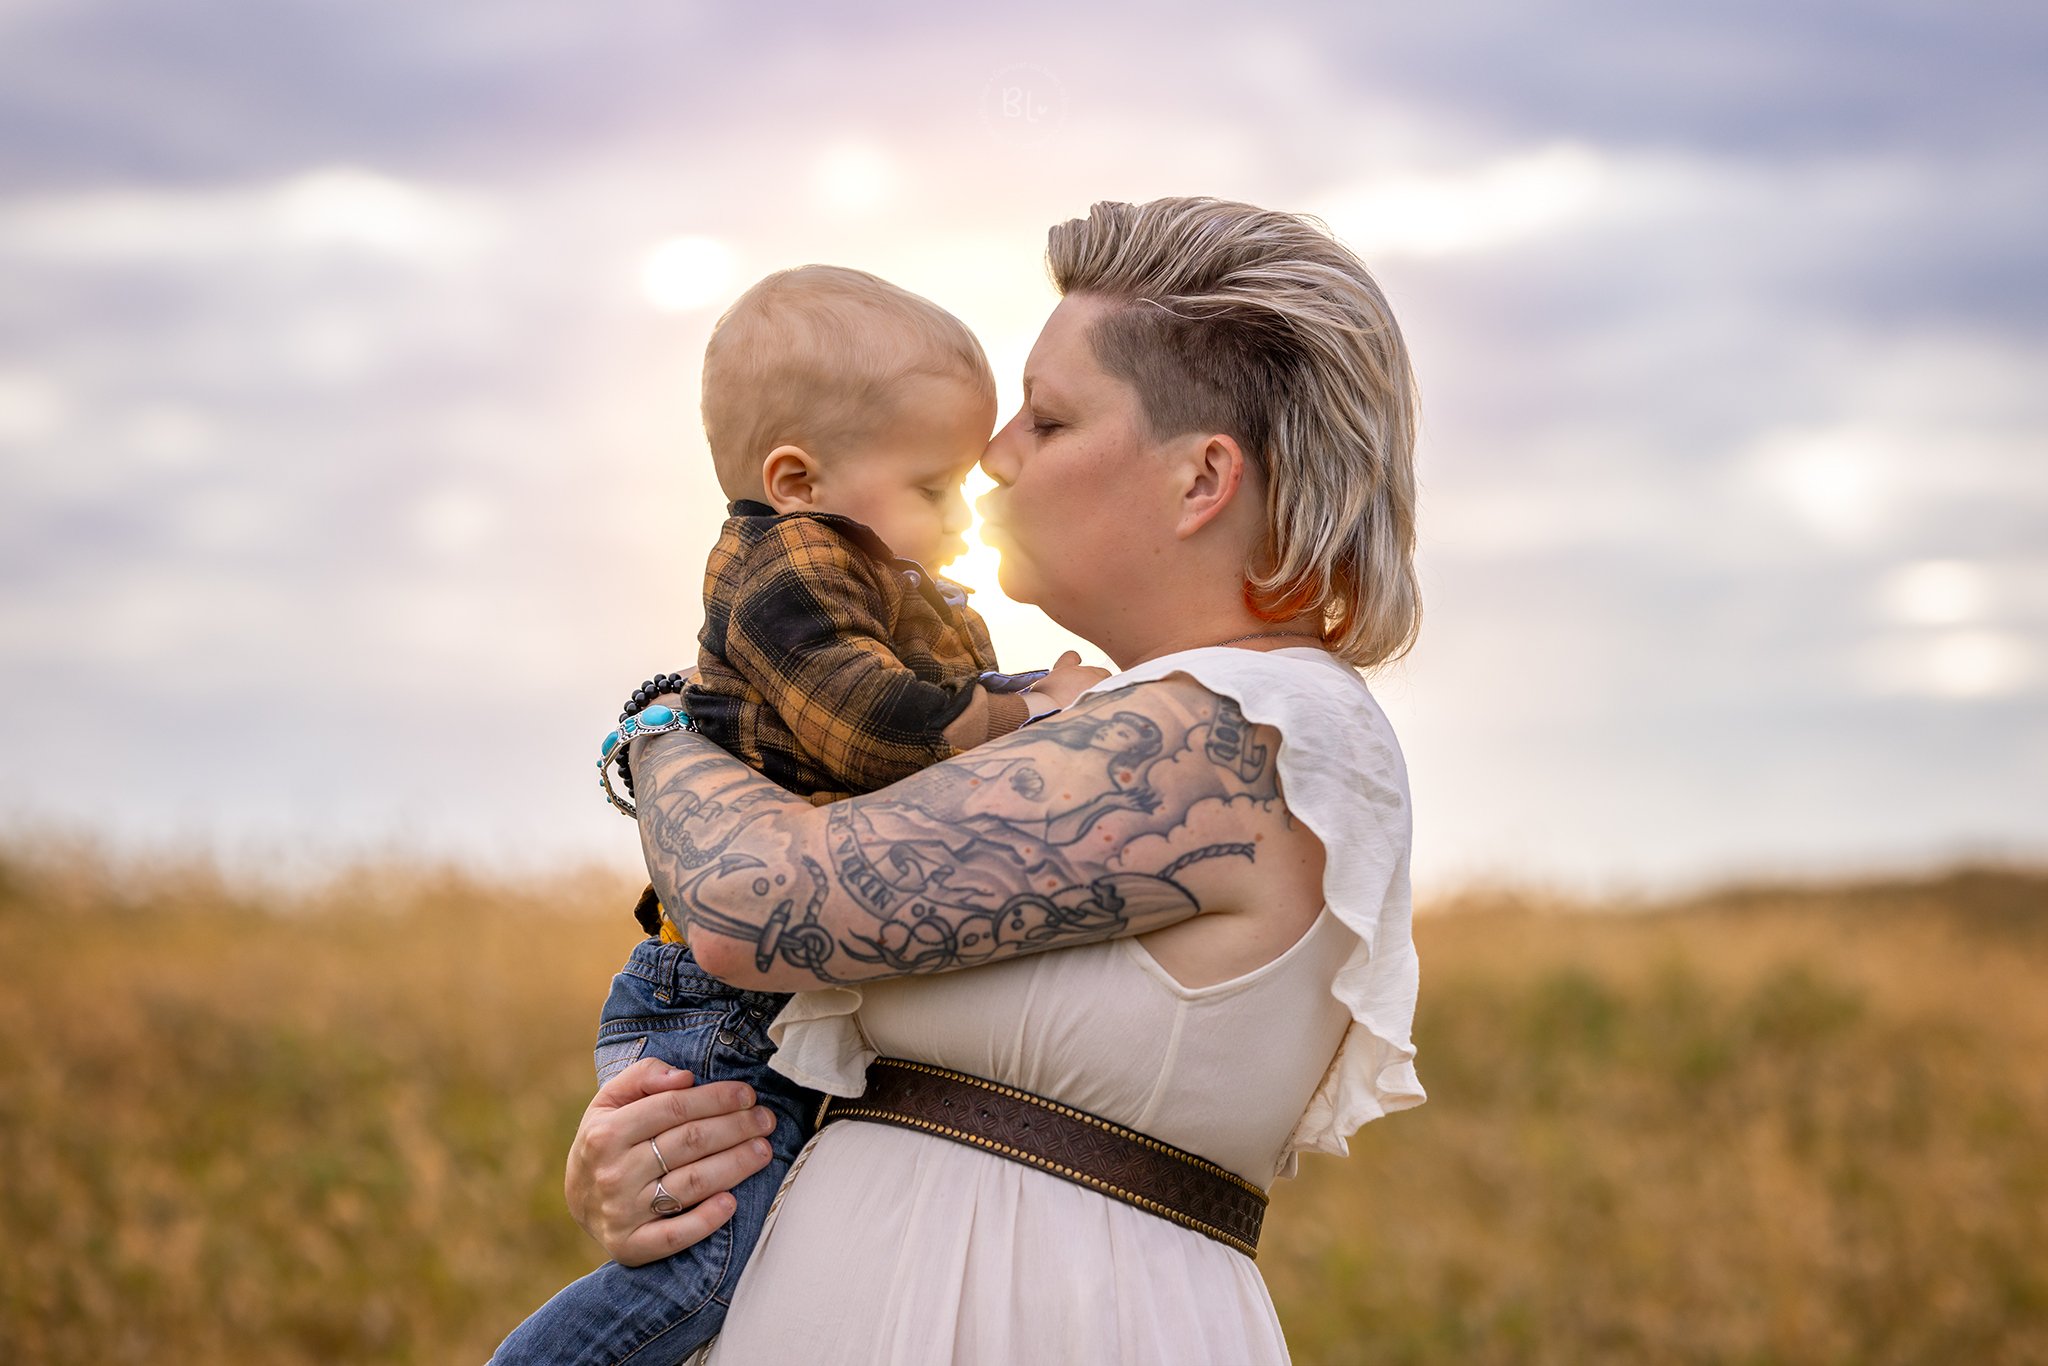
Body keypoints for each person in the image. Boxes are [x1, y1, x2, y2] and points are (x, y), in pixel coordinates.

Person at [563, 196, 1428, 1365]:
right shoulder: (1062, 719)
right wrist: (653, 1162)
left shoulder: (1243, 733)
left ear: (1200, 477)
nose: (997, 452)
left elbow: (753, 896)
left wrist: (659, 723)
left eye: (1049, 417)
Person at [491, 266, 1105, 1365]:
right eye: (932, 485)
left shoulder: (870, 574)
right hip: (722, 1002)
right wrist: (1024, 710)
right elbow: (870, 726)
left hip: (753, 997)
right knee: (700, 1272)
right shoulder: (798, 563)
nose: (964, 513)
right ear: (795, 477)